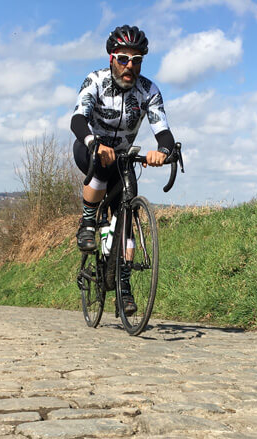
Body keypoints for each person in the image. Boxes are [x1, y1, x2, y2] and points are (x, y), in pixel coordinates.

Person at [71, 25, 178, 315]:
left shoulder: (148, 91)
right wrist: (93, 141)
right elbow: (78, 119)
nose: (130, 65)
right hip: (90, 147)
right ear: (111, 59)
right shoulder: (94, 81)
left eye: (137, 60)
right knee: (102, 168)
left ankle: (124, 286)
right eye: (123, 58)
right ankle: (88, 222)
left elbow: (164, 133)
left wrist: (164, 152)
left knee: (127, 211)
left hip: (123, 157)